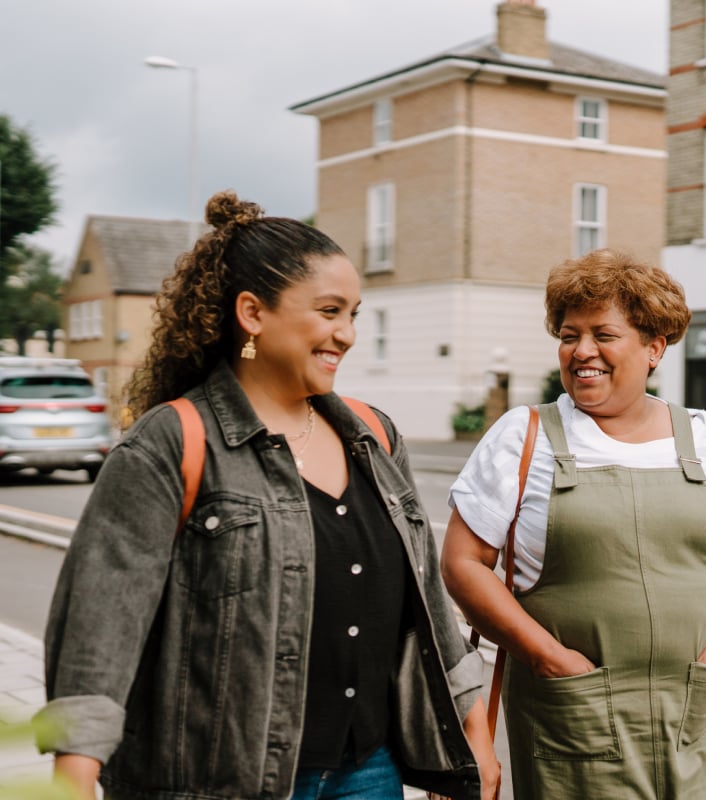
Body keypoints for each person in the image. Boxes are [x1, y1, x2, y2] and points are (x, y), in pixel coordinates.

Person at [35, 191, 500, 800]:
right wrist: (72, 781)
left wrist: (474, 734)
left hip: (369, 772)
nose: (348, 334)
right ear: (252, 313)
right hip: (219, 780)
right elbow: (100, 630)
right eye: (330, 311)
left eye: (354, 314)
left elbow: (427, 604)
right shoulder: (175, 441)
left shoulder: (374, 436)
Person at [441, 249, 706, 799]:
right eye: (570, 335)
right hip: (574, 718)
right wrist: (549, 658)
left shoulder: (704, 436)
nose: (582, 352)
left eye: (604, 334)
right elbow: (461, 565)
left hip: (699, 716)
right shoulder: (524, 437)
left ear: (654, 347)